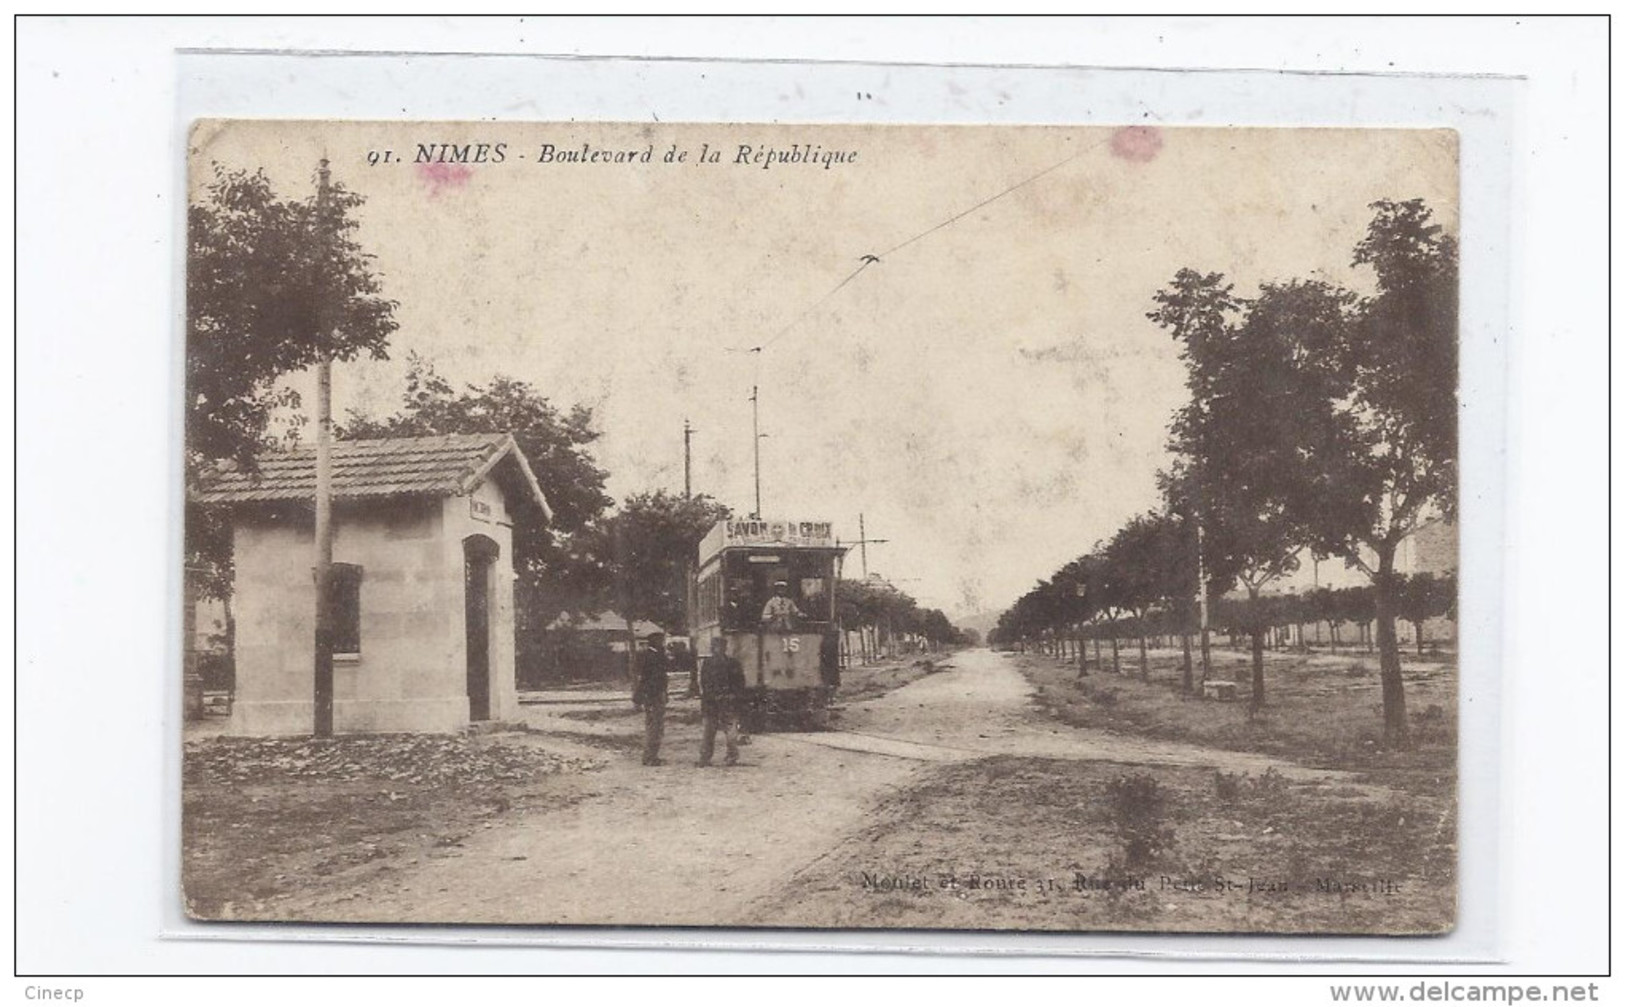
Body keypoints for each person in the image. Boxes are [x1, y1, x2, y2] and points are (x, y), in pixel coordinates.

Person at [697, 636, 746, 766]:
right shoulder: (730, 663)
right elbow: (705, 683)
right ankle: (713, 757)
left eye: (719, 647)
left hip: (720, 702)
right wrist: (728, 695)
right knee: (714, 731)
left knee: (723, 731)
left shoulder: (712, 663)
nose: (718, 649)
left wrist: (728, 695)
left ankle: (721, 757)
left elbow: (739, 683)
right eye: (716, 647)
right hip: (718, 702)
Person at [631, 631, 669, 766]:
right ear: (654, 641)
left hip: (654, 695)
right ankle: (650, 757)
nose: (662, 643)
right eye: (660, 641)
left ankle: (651, 756)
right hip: (654, 696)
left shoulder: (653, 655)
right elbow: (651, 679)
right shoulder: (652, 656)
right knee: (655, 727)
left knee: (654, 726)